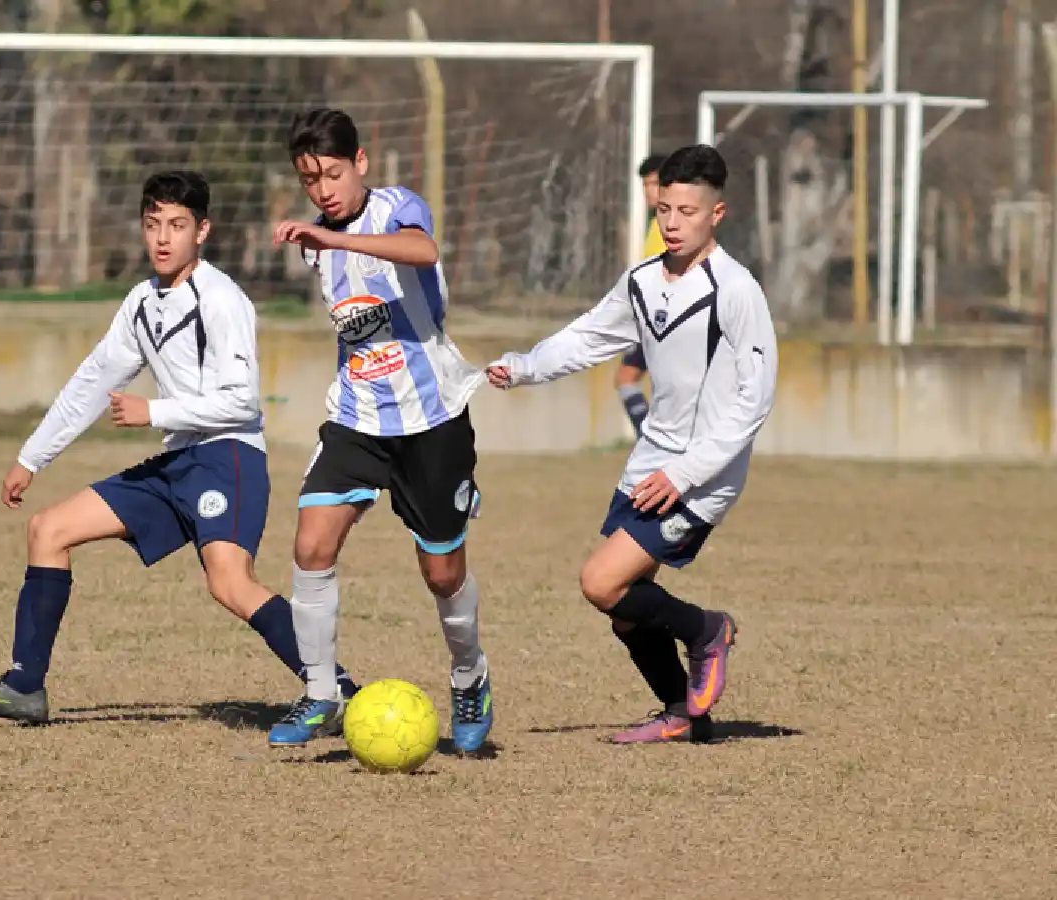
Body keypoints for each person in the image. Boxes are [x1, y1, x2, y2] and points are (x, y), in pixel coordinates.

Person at [0, 170, 359, 725]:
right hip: (178, 461)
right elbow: (92, 381)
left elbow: (241, 402)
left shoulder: (221, 299)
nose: (163, 238)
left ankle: (338, 690)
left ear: (202, 232)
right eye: (153, 224)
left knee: (230, 583)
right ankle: (24, 687)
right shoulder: (141, 302)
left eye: (178, 226)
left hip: (227, 457)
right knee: (48, 530)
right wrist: (31, 457)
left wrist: (152, 412)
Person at [487, 145, 777, 744]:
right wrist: (524, 367)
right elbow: (591, 336)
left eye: (688, 211)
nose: (673, 223)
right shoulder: (643, 280)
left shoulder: (736, 290)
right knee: (623, 607)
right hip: (650, 459)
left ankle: (707, 628)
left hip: (702, 473)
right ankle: (681, 714)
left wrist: (686, 474)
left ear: (716, 214)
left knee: (601, 582)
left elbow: (755, 399)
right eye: (665, 209)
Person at [265, 108, 493, 753]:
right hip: (358, 418)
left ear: (360, 162)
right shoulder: (317, 235)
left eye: (333, 174)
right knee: (311, 546)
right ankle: (319, 693)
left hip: (433, 421)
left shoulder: (395, 207)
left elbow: (425, 250)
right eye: (310, 181)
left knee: (443, 574)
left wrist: (337, 240)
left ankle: (470, 675)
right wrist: (324, 239)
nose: (323, 190)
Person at [615, 152, 668, 437]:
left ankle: (655, 444)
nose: (649, 191)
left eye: (655, 183)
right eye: (646, 185)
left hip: (666, 320)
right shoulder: (655, 223)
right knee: (626, 379)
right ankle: (650, 442)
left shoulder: (674, 227)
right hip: (649, 319)